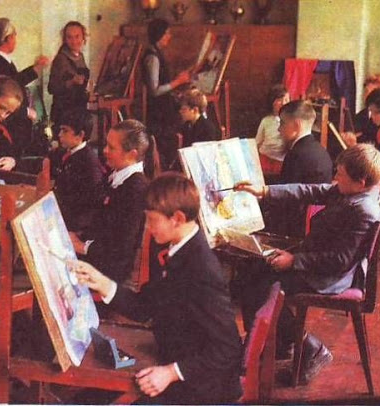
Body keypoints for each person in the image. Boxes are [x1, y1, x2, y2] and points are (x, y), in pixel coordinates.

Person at [75, 173, 243, 404]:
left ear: (177, 218)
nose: (148, 227)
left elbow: (228, 347)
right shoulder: (179, 250)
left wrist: (171, 373)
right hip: (174, 360)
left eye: (153, 220)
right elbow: (145, 306)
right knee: (89, 396)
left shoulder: (202, 269)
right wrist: (102, 283)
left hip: (201, 388)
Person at [235, 143, 380, 384]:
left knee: (260, 287)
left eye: (340, 174)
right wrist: (263, 191)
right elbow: (308, 190)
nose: (335, 178)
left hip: (330, 275)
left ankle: (309, 347)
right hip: (320, 261)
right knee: (251, 271)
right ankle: (278, 343)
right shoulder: (353, 192)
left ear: (361, 182)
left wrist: (294, 261)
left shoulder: (363, 210)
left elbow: (339, 260)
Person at [69, 119, 157, 283]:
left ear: (132, 154)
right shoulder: (117, 176)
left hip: (110, 273)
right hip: (98, 257)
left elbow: (122, 247)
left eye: (111, 147)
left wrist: (82, 247)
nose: (105, 151)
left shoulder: (135, 190)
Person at [0, 18, 50, 154]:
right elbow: (5, 94)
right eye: (14, 35)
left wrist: (36, 68)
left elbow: (14, 81)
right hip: (9, 127)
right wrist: (26, 111)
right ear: (7, 38)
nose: (15, 38)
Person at [267, 100, 333, 237]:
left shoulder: (297, 155)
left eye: (282, 123)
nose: (279, 129)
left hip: (296, 230)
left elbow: (286, 197)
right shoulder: (321, 150)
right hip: (315, 226)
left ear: (296, 125)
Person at [143, 18, 191, 168]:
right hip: (158, 112)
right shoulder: (152, 57)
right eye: (167, 33)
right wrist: (178, 81)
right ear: (160, 35)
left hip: (163, 107)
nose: (169, 36)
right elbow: (154, 90)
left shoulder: (157, 53)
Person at [53, 109, 105, 232]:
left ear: (80, 135)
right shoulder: (68, 152)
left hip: (75, 226)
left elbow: (92, 205)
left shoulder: (89, 164)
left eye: (65, 131)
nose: (59, 134)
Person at [48, 21, 90, 130]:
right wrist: (71, 82)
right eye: (69, 37)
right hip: (64, 113)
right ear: (65, 39)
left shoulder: (80, 56)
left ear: (83, 37)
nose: (74, 41)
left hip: (78, 110)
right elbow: (52, 88)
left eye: (77, 36)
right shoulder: (61, 59)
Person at [342, 74, 380, 147]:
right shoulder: (359, 117)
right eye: (366, 91)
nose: (367, 96)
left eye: (372, 92)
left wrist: (354, 145)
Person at [255, 84, 290, 176]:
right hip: (265, 158)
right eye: (279, 100)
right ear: (272, 102)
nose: (283, 103)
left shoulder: (291, 121)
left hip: (282, 162)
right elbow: (257, 142)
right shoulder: (266, 121)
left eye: (286, 100)